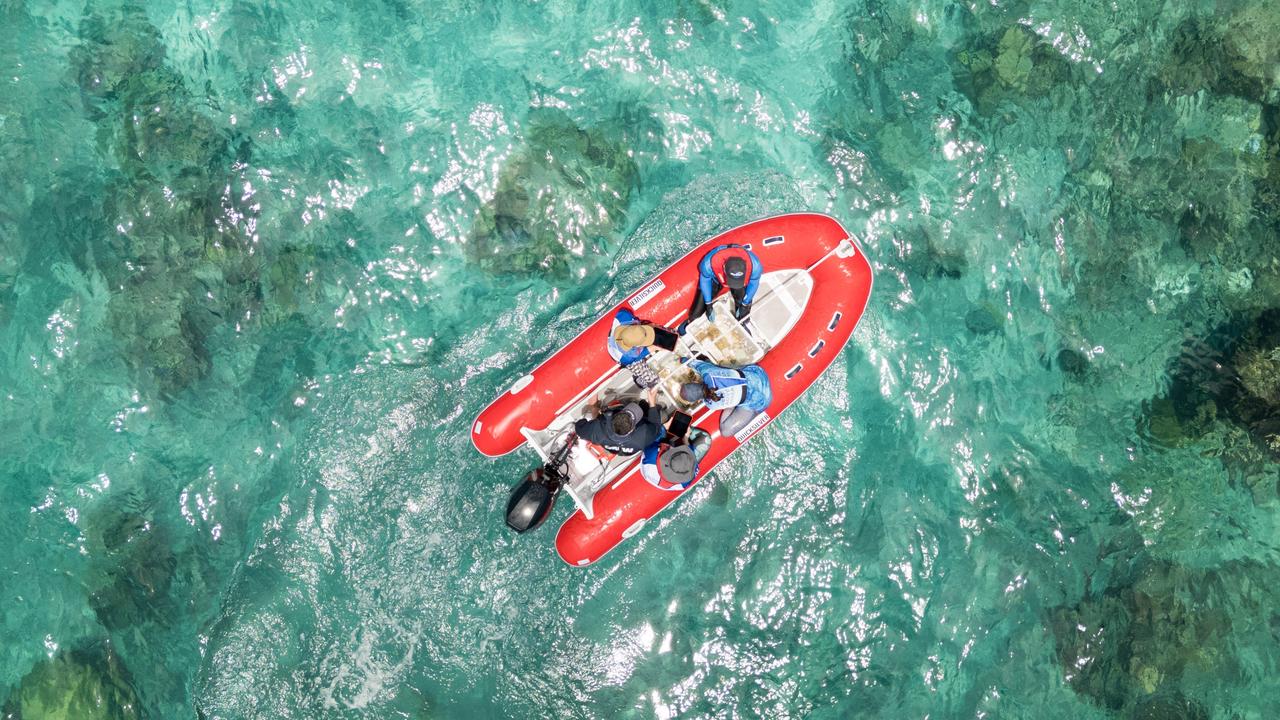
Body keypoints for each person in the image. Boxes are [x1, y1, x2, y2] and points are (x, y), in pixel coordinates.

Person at [678, 243, 763, 334]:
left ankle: (742, 322)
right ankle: (690, 322)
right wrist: (708, 304)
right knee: (696, 313)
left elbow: (754, 284)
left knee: (744, 307)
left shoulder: (755, 266)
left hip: (740, 282)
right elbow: (705, 280)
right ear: (724, 267)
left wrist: (745, 304)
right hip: (717, 279)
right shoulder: (708, 264)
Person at [678, 357, 772, 436]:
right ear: (694, 382)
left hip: (761, 401)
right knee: (721, 366)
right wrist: (682, 359)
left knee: (725, 432)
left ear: (697, 400)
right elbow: (690, 362)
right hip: (758, 372)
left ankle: (739, 403)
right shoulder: (707, 372)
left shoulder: (711, 404)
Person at [574, 387, 665, 456]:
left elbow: (579, 427)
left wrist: (596, 420)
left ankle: (594, 387)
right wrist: (652, 402)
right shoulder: (644, 435)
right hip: (627, 445)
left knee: (594, 411)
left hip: (606, 437)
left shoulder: (597, 430)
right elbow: (656, 425)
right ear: (632, 429)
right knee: (644, 406)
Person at [607, 309, 678, 388]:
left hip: (623, 338)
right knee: (653, 380)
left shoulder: (623, 315)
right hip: (622, 357)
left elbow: (638, 332)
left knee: (666, 336)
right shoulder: (627, 357)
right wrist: (656, 347)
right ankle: (638, 376)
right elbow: (645, 352)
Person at [640, 427, 712, 491]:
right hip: (666, 474)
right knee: (705, 439)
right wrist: (685, 437)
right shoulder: (689, 476)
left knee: (661, 427)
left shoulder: (652, 456)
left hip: (652, 464)